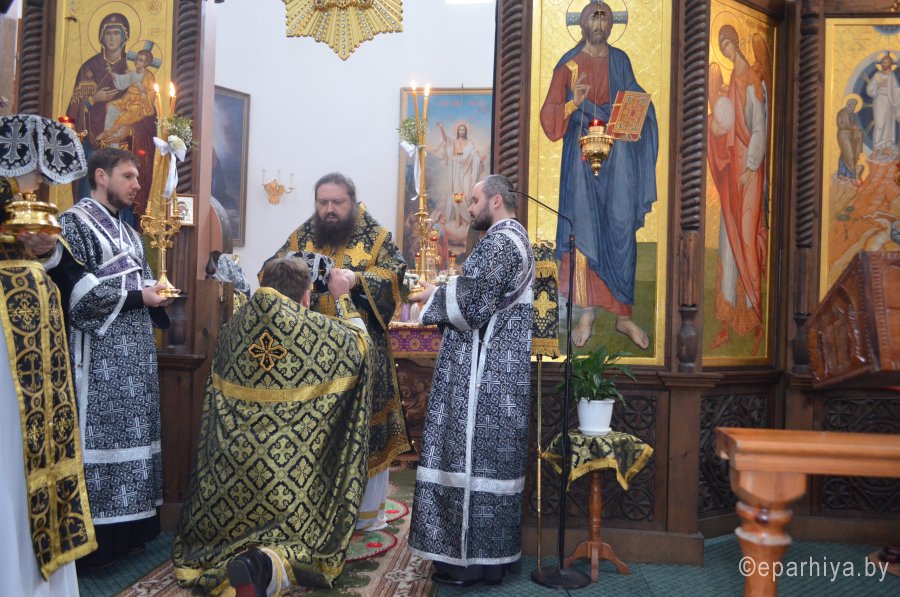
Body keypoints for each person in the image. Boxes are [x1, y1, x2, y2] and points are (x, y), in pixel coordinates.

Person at [172, 258, 373, 595]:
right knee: (300, 538)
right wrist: (342, 298)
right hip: (288, 487)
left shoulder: (231, 331)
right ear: (306, 296)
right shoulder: (318, 333)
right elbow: (362, 345)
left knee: (226, 527)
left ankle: (243, 557)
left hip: (226, 484)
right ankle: (264, 565)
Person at [261, 172, 410, 532]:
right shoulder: (302, 236)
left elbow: (396, 279)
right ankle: (317, 512)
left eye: (337, 202)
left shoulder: (376, 237)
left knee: (364, 428)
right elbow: (270, 271)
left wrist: (356, 280)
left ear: (351, 202)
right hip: (312, 358)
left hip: (362, 355)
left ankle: (366, 515)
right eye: (322, 202)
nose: (329, 209)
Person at [407, 174, 535, 587]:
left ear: (496, 201)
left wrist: (432, 297)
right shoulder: (514, 239)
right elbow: (481, 292)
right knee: (489, 463)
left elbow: (474, 305)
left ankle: (466, 563)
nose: (471, 208)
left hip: (482, 379)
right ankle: (490, 561)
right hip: (498, 374)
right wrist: (444, 288)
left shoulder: (500, 242)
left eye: (476, 200)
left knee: (471, 461)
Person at [49, 147, 173, 569]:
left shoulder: (130, 233)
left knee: (135, 436)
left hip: (136, 355)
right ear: (100, 176)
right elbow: (75, 291)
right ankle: (97, 542)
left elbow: (141, 283)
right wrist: (141, 296)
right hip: (99, 358)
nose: (137, 185)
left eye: (137, 177)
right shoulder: (73, 223)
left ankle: (132, 533)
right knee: (100, 439)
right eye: (128, 176)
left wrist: (156, 295)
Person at [539, 1, 658, 350]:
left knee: (621, 225)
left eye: (605, 19)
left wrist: (638, 110)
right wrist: (574, 103)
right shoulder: (569, 65)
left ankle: (623, 315)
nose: (599, 25)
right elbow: (550, 118)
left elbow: (637, 98)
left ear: (610, 26)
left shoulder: (620, 60)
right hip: (580, 155)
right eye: (594, 18)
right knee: (583, 228)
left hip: (619, 157)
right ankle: (586, 311)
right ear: (583, 24)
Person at [0, 164, 95, 593]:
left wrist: (42, 246)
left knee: (29, 450)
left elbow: (60, 263)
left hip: (28, 323)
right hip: (10, 320)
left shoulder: (19, 185)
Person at [707, 25, 771, 355]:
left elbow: (759, 128)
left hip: (749, 172)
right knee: (727, 242)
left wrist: (750, 167)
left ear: (737, 43)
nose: (727, 50)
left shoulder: (753, 80)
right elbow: (725, 124)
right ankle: (725, 322)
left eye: (729, 44)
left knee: (746, 239)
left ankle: (756, 318)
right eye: (722, 46)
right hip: (733, 171)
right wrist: (715, 128)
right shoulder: (731, 81)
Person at [66, 12, 156, 225]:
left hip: (124, 147)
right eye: (108, 33)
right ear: (100, 36)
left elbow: (149, 115)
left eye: (117, 33)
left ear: (125, 37)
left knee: (121, 203)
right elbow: (72, 114)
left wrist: (131, 130)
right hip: (92, 145)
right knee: (91, 200)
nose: (112, 38)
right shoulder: (88, 68)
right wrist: (92, 100)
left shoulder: (135, 69)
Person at [432, 121, 485, 255]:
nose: (462, 132)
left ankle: (464, 219)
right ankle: (457, 219)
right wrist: (441, 128)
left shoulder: (469, 144)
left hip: (466, 170)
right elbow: (446, 140)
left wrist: (478, 158)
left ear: (466, 131)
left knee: (465, 194)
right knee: (455, 195)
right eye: (460, 130)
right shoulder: (454, 142)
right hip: (456, 168)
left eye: (463, 130)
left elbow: (474, 154)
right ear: (457, 131)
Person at [102, 49, 157, 141]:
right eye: (136, 59)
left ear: (146, 63)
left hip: (139, 102)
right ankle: (107, 132)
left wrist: (144, 91)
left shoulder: (149, 76)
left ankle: (112, 133)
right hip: (127, 100)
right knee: (110, 106)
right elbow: (121, 80)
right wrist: (111, 73)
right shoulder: (132, 73)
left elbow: (151, 92)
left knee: (127, 114)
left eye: (141, 60)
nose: (137, 61)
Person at [865, 53, 900, 162]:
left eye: (887, 62)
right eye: (883, 62)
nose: (884, 64)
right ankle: (877, 148)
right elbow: (869, 90)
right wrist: (878, 86)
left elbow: (895, 90)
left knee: (889, 124)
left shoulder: (891, 75)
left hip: (890, 102)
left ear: (890, 64)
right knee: (880, 124)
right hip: (880, 100)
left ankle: (886, 147)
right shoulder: (877, 75)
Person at [836, 98, 864, 184]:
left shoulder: (853, 115)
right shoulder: (841, 113)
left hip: (851, 135)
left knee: (845, 153)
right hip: (843, 135)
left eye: (854, 106)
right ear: (848, 104)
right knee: (849, 154)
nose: (853, 107)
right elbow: (840, 124)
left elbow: (853, 124)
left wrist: (856, 128)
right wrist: (851, 127)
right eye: (852, 105)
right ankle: (853, 176)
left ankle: (842, 173)